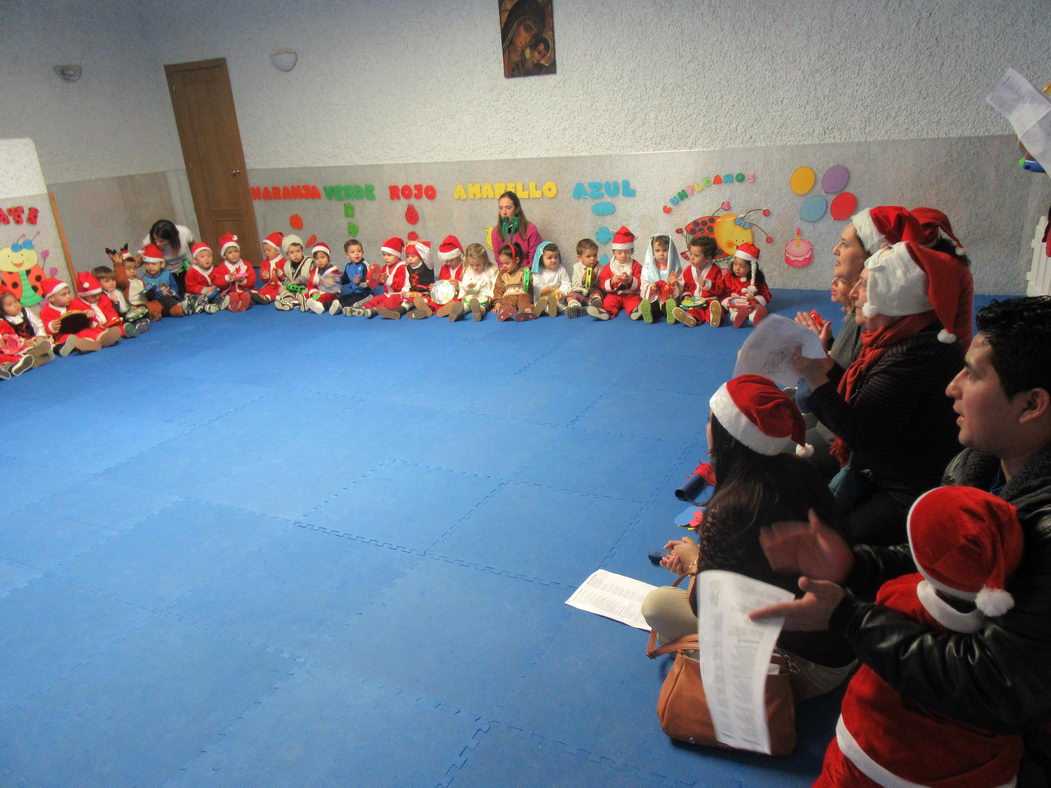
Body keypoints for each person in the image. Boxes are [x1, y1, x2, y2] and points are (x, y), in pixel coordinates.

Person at [751, 296, 1051, 784]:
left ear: (1032, 405)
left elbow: (997, 685)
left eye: (973, 375)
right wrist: (853, 566)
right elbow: (939, 563)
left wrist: (848, 616)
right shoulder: (978, 466)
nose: (951, 387)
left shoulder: (1043, 528)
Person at [642, 374, 855, 698]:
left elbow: (707, 608)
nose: (706, 429)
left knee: (657, 605)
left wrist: (695, 562)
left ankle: (750, 688)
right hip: (845, 644)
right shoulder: (798, 470)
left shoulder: (728, 508)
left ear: (727, 437)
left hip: (805, 669)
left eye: (711, 422)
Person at [816, 485, 1025, 787]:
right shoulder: (1014, 628)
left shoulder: (898, 595)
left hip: (876, 748)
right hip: (976, 767)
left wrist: (844, 612)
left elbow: (872, 643)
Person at [795, 240, 967, 544]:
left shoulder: (913, 355)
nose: (853, 294)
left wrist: (815, 374)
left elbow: (860, 433)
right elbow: (866, 399)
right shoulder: (903, 336)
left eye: (863, 285)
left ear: (893, 296)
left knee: (828, 546)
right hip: (881, 471)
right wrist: (825, 365)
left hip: (906, 492)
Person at [39, 277, 118, 354]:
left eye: (69, 293)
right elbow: (46, 327)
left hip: (79, 330)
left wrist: (87, 314)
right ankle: (84, 344)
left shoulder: (73, 303)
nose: (68, 296)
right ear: (51, 298)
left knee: (88, 331)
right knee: (69, 338)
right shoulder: (46, 311)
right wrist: (52, 326)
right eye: (64, 295)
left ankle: (102, 338)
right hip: (62, 334)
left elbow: (81, 314)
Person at [672, 235, 724, 328]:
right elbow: (686, 287)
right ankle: (691, 318)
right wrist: (686, 295)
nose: (691, 258)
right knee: (693, 310)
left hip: (710, 299)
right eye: (691, 254)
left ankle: (714, 317)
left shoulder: (715, 270)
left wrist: (707, 284)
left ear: (708, 258)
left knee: (715, 307)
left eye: (696, 255)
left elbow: (721, 289)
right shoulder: (688, 270)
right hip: (695, 301)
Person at [590, 225, 641, 320]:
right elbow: (602, 282)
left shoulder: (636, 265)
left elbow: (641, 279)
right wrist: (611, 281)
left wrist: (631, 280)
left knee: (634, 301)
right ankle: (605, 312)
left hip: (630, 294)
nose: (623, 255)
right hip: (615, 294)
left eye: (627, 252)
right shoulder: (609, 266)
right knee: (609, 301)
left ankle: (636, 311)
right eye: (619, 253)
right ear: (614, 252)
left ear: (632, 252)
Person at [351, 237, 408, 320]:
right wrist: (376, 279)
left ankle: (374, 310)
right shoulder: (385, 267)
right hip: (388, 294)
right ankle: (363, 309)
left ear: (397, 255)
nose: (386, 258)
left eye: (389, 255)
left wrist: (386, 281)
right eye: (384, 255)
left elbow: (400, 285)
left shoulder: (402, 267)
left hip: (399, 295)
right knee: (376, 299)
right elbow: (381, 282)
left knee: (389, 302)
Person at [721, 243, 771, 328]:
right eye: (735, 264)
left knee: (755, 308)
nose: (737, 268)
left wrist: (756, 299)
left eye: (742, 266)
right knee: (733, 309)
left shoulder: (757, 279)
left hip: (750, 303)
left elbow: (766, 293)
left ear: (751, 268)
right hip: (735, 303)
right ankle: (737, 317)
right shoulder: (729, 276)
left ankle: (755, 317)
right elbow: (723, 291)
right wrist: (729, 300)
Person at [0, 290, 53, 367]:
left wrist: (40, 335)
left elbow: (37, 323)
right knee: (20, 351)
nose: (15, 305)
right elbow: (10, 337)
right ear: (2, 310)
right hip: (20, 344)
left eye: (16, 301)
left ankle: (40, 353)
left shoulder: (26, 311)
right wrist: (23, 343)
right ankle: (34, 358)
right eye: (10, 305)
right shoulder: (4, 321)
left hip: (34, 338)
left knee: (42, 341)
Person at [75, 271, 135, 338]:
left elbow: (110, 311)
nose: (97, 297)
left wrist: (113, 319)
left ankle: (123, 331)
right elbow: (78, 321)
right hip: (95, 328)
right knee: (86, 333)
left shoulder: (103, 298)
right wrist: (94, 324)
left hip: (108, 325)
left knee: (117, 327)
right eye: (94, 296)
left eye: (99, 294)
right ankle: (103, 337)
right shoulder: (76, 304)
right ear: (84, 296)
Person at [490, 191, 543, 266]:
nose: (504, 212)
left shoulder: (531, 229)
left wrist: (523, 275)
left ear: (517, 209)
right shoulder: (495, 232)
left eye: (508, 208)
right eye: (501, 208)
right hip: (507, 273)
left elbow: (534, 261)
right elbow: (500, 261)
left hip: (528, 273)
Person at [142, 219, 194, 294]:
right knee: (178, 294)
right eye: (155, 239)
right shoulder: (148, 278)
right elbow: (145, 292)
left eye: (161, 241)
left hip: (185, 267)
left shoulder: (184, 232)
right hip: (168, 273)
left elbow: (194, 246)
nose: (157, 244)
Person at [638, 233, 681, 324]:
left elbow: (681, 284)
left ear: (670, 251)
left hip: (668, 297)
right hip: (655, 297)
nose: (661, 254)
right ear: (652, 252)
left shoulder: (674, 267)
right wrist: (651, 287)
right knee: (652, 306)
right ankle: (649, 313)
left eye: (665, 250)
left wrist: (673, 284)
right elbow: (644, 283)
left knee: (670, 304)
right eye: (657, 250)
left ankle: (670, 313)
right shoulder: (647, 268)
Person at [212, 233, 256, 312]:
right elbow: (217, 282)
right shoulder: (221, 268)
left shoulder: (246, 265)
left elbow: (252, 278)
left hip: (244, 290)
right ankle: (232, 305)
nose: (234, 255)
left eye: (236, 251)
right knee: (228, 297)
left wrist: (242, 280)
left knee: (248, 294)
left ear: (239, 252)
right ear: (224, 255)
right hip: (229, 292)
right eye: (230, 253)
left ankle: (243, 304)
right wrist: (228, 278)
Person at [140, 244, 188, 316]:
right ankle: (180, 307)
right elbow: (147, 296)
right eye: (147, 264)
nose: (150, 267)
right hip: (157, 302)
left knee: (181, 297)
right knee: (164, 300)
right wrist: (161, 293)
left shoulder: (167, 273)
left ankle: (185, 304)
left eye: (153, 264)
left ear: (162, 264)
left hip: (171, 296)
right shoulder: (144, 279)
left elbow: (174, 287)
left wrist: (171, 291)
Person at [454, 243, 497, 322]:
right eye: (472, 264)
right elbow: (464, 283)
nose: (475, 267)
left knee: (483, 304)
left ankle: (479, 311)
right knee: (466, 303)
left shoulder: (491, 269)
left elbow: (495, 284)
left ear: (485, 260)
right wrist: (464, 292)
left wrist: (492, 296)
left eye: (478, 265)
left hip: (484, 294)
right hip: (470, 294)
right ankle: (459, 312)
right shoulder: (467, 269)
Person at [493, 242, 535, 322]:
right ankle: (504, 312)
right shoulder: (502, 273)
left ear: (516, 260)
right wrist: (497, 302)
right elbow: (498, 288)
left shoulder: (524, 271)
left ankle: (527, 312)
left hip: (522, 293)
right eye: (502, 263)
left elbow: (530, 286)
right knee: (505, 303)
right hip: (509, 295)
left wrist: (527, 284)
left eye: (507, 263)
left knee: (525, 302)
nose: (504, 266)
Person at [431, 235, 467, 320]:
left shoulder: (465, 267)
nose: (448, 263)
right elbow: (441, 281)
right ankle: (429, 308)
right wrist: (435, 286)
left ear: (459, 256)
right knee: (433, 299)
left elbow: (470, 285)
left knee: (458, 301)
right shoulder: (444, 268)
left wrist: (458, 284)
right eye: (446, 260)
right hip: (445, 294)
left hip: (460, 294)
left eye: (451, 260)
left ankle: (449, 309)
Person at [182, 242, 224, 314]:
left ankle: (218, 304)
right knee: (198, 300)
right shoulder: (192, 271)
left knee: (218, 296)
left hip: (211, 293)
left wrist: (215, 287)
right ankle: (205, 307)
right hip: (197, 293)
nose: (207, 259)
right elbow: (190, 287)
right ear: (195, 260)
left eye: (209, 256)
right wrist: (204, 290)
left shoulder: (214, 269)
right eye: (202, 257)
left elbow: (218, 280)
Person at [531, 241, 570, 317]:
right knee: (542, 301)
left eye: (556, 257)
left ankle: (551, 308)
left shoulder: (560, 269)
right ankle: (542, 308)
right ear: (541, 259)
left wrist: (562, 292)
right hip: (543, 295)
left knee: (557, 303)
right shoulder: (538, 271)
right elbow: (537, 285)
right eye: (549, 258)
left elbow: (567, 283)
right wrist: (545, 289)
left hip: (557, 296)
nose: (554, 260)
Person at [333, 238, 372, 315]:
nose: (356, 254)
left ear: (363, 253)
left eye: (359, 251)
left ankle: (356, 309)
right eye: (353, 252)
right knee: (340, 299)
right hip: (355, 292)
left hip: (366, 294)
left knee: (352, 302)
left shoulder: (364, 265)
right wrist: (337, 280)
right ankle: (323, 306)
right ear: (347, 255)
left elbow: (370, 283)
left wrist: (360, 282)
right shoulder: (348, 266)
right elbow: (345, 279)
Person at [566, 238, 603, 319]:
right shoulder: (577, 267)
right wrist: (582, 280)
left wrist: (595, 279)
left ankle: (595, 304)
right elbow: (574, 284)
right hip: (580, 293)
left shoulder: (599, 266)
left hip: (592, 293)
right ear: (579, 258)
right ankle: (575, 307)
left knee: (597, 293)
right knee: (570, 296)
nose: (593, 258)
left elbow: (602, 285)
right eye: (588, 256)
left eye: (595, 255)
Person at [303, 242, 340, 315]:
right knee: (307, 295)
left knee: (329, 297)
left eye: (322, 257)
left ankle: (320, 305)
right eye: (317, 258)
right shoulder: (314, 270)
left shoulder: (333, 270)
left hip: (330, 293)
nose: (320, 261)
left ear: (328, 257)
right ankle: (313, 304)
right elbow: (310, 283)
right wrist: (313, 292)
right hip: (319, 292)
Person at [402, 240, 435, 319]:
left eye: (413, 256)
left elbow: (426, 254)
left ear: (420, 256)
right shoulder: (407, 268)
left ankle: (419, 311)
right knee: (406, 302)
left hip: (426, 293)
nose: (409, 259)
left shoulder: (428, 265)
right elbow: (407, 282)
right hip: (414, 293)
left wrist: (416, 243)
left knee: (425, 301)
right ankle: (398, 311)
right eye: (407, 257)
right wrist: (405, 291)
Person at [257, 231, 288, 304]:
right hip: (270, 284)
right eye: (264, 251)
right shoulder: (264, 263)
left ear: (277, 251)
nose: (266, 253)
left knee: (279, 291)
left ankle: (268, 298)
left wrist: (281, 274)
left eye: (269, 250)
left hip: (280, 285)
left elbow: (287, 278)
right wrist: (264, 276)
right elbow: (263, 280)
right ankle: (257, 297)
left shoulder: (283, 261)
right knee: (263, 290)